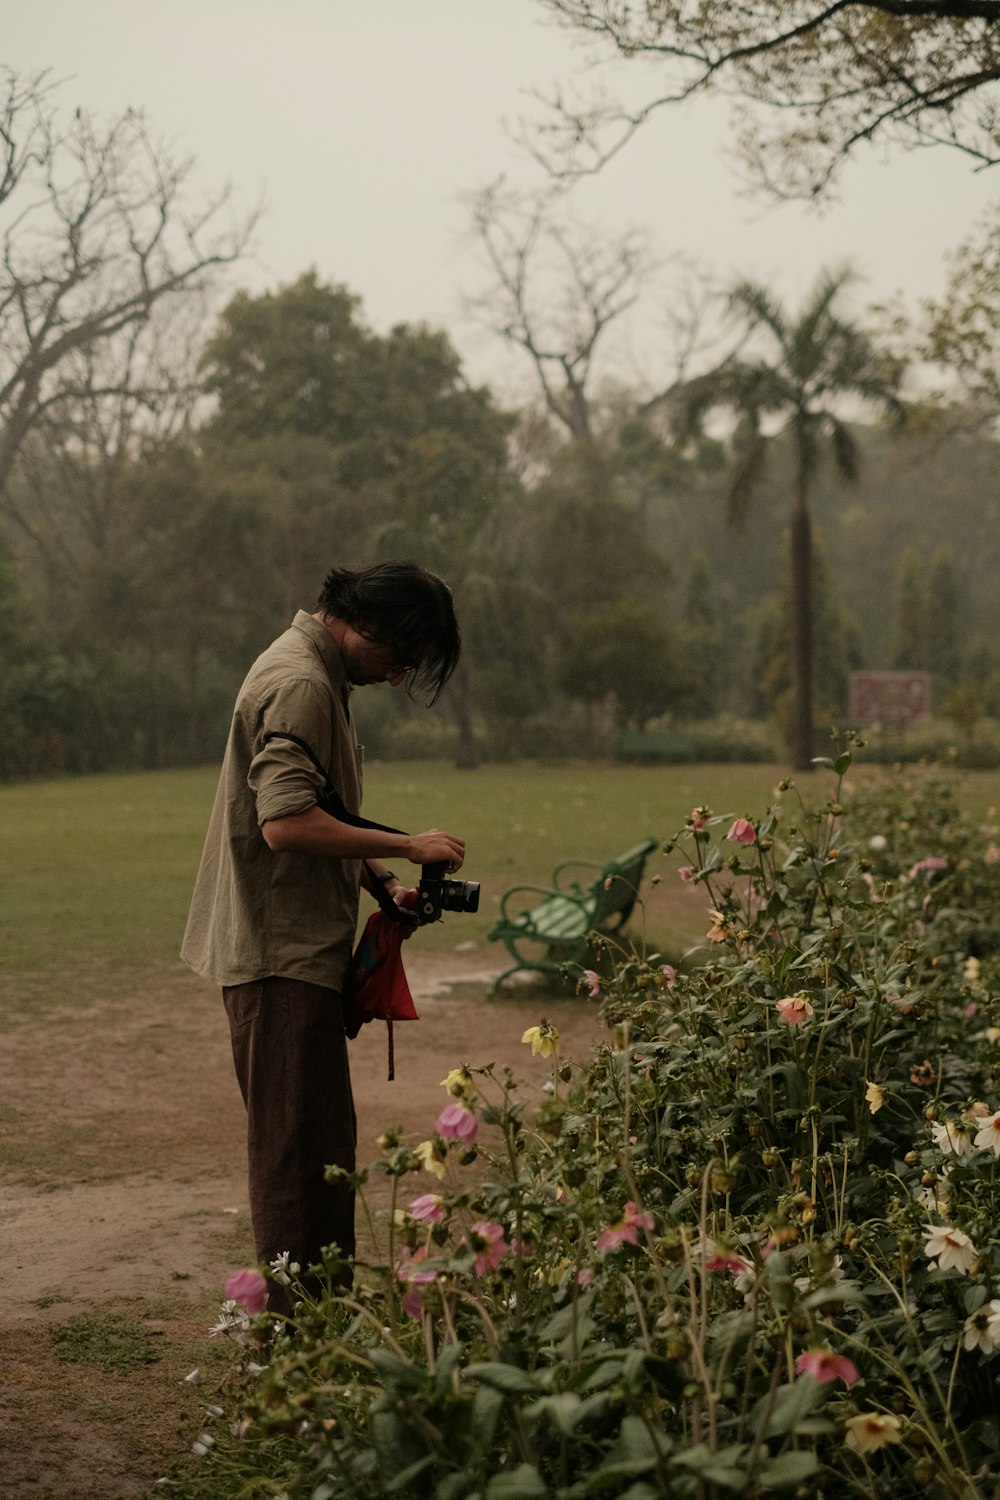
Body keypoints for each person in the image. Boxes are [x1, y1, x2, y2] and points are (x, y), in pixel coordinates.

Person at [181, 560, 466, 1310]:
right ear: (366, 625)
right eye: (401, 658)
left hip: (291, 950)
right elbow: (285, 824)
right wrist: (408, 845)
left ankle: (320, 1322)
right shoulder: (303, 684)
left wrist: (377, 881)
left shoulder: (314, 672)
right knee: (298, 1156)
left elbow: (315, 805)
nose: (400, 677)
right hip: (279, 957)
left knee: (319, 1144)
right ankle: (299, 1341)